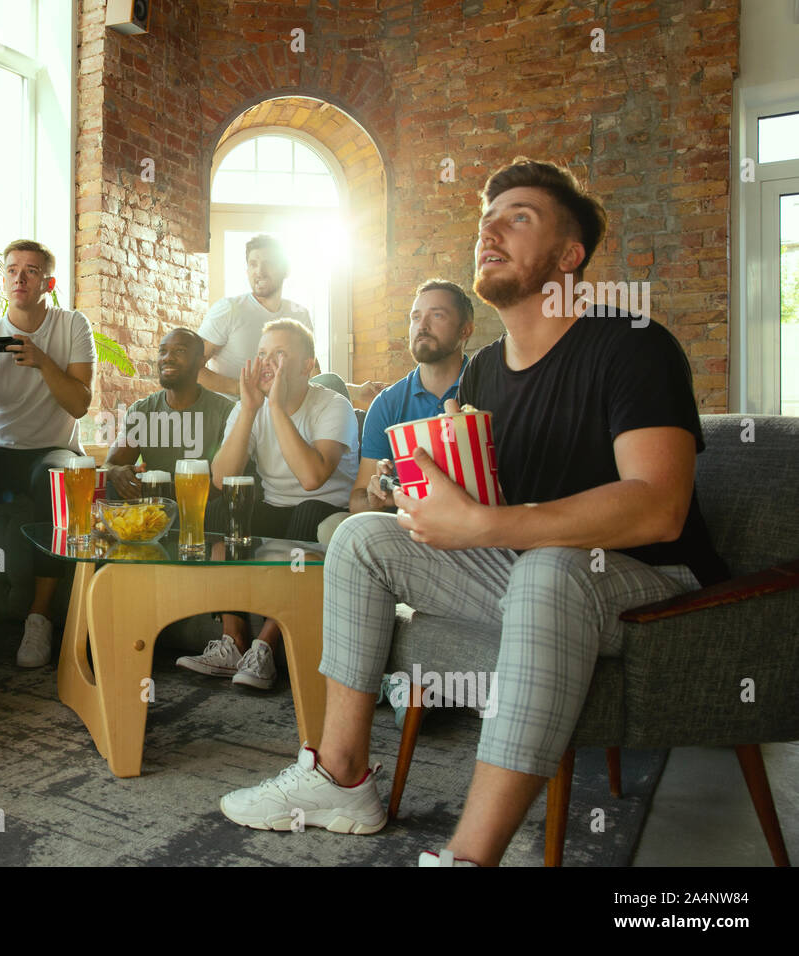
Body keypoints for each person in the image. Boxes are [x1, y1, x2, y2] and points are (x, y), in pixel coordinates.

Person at [218, 158, 729, 864]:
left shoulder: (633, 345)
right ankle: (339, 777)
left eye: (519, 217)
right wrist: (425, 495)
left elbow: (658, 509)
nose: (491, 229)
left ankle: (471, 857)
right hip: (526, 572)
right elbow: (484, 505)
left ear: (569, 254)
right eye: (487, 219)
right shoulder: (484, 369)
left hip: (651, 583)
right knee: (363, 537)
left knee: (551, 570)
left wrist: (486, 525)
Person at [177, 319, 359, 690]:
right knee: (219, 508)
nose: (267, 363)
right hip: (275, 507)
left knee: (307, 514)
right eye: (262, 354)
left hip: (324, 508)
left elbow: (312, 478)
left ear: (307, 365)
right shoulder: (250, 407)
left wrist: (275, 408)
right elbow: (221, 477)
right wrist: (248, 410)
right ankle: (234, 641)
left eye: (279, 354)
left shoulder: (332, 405)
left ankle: (267, 647)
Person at [0, 239, 95, 668]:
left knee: (58, 479)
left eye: (31, 271)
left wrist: (44, 362)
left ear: (47, 282)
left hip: (53, 449)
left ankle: (39, 617)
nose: (20, 278)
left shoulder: (72, 326)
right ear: (4, 278)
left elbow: (80, 405)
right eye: (12, 270)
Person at [318, 279, 474, 544]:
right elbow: (356, 500)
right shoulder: (387, 403)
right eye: (415, 317)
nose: (422, 326)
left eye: (437, 315)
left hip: (472, 525)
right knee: (333, 528)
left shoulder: (488, 387)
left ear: (465, 331)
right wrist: (375, 496)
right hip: (402, 529)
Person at [102, 328, 234, 500]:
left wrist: (173, 493)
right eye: (162, 351)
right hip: (153, 513)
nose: (167, 358)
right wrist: (116, 472)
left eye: (180, 351)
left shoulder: (226, 412)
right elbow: (109, 465)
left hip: (205, 511)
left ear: (200, 362)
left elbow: (229, 480)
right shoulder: (142, 411)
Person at [197, 235, 316, 398]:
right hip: (231, 415)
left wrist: (354, 391)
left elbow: (312, 373)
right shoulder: (229, 309)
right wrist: (243, 389)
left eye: (269, 264)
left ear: (286, 270)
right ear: (247, 271)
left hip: (283, 414)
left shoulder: (299, 314)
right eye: (253, 264)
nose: (259, 271)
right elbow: (191, 369)